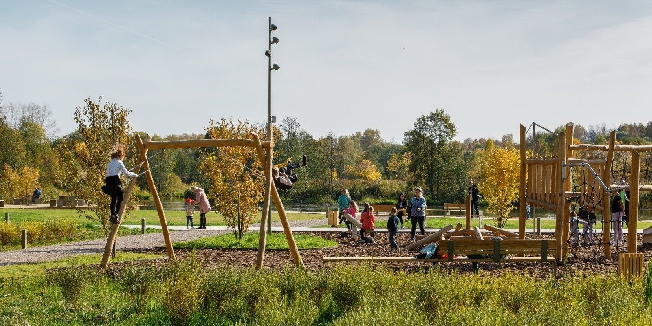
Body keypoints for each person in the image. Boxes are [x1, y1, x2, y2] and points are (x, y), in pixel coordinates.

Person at [102, 145, 138, 224]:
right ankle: (116, 214)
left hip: (108, 181)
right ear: (121, 155)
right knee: (120, 198)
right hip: (115, 180)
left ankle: (112, 214)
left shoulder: (109, 163)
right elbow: (127, 174)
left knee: (113, 199)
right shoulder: (119, 162)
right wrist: (135, 175)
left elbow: (110, 173)